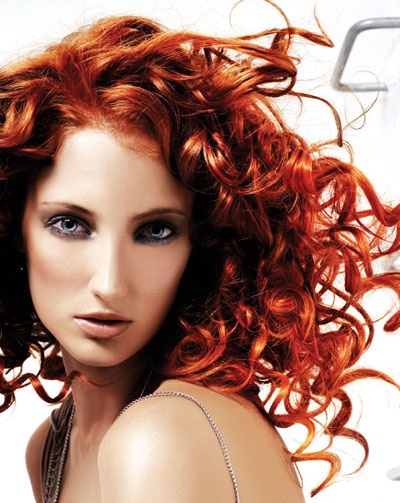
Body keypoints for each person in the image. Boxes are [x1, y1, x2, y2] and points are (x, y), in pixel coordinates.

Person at [0, 5, 399, 503]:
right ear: (13, 226)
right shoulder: (52, 446)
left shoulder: (161, 436)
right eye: (70, 224)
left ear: (202, 245)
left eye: (156, 231)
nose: (109, 283)